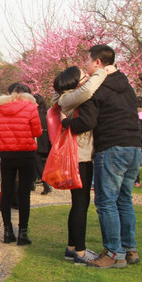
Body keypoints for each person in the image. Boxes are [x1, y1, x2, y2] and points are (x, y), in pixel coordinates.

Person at [61, 44, 142, 268]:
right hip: (134, 146)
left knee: (106, 202)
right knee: (124, 200)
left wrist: (66, 122)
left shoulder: (97, 87)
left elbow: (87, 121)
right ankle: (129, 249)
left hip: (112, 146)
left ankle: (114, 253)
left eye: (87, 60)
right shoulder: (126, 85)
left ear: (97, 63)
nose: (85, 65)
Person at [53, 65, 108, 265]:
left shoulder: (66, 97)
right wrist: (101, 72)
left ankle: (72, 247)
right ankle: (81, 253)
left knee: (79, 202)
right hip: (80, 156)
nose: (88, 77)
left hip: (76, 155)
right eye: (84, 76)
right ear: (75, 83)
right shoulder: (70, 97)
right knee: (80, 203)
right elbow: (88, 90)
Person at [0, 82, 42, 245]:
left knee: (6, 192)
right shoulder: (31, 107)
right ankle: (23, 233)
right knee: (24, 193)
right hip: (26, 153)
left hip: (6, 154)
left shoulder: (0, 108)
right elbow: (37, 132)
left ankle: (8, 231)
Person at [32, 94, 52, 195]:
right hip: (47, 138)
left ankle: (45, 183)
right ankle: (33, 182)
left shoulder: (35, 112)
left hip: (38, 138)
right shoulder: (47, 111)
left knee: (37, 162)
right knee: (38, 161)